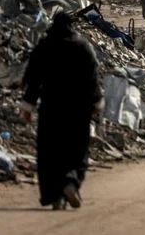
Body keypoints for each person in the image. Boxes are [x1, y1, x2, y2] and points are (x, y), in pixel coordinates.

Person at [20, 12, 102, 210]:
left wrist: (28, 106)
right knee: (77, 148)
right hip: (78, 108)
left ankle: (55, 195)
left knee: (51, 151)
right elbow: (93, 78)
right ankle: (70, 182)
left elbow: (33, 79)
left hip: (52, 107)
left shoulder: (45, 46)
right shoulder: (82, 46)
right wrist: (96, 102)